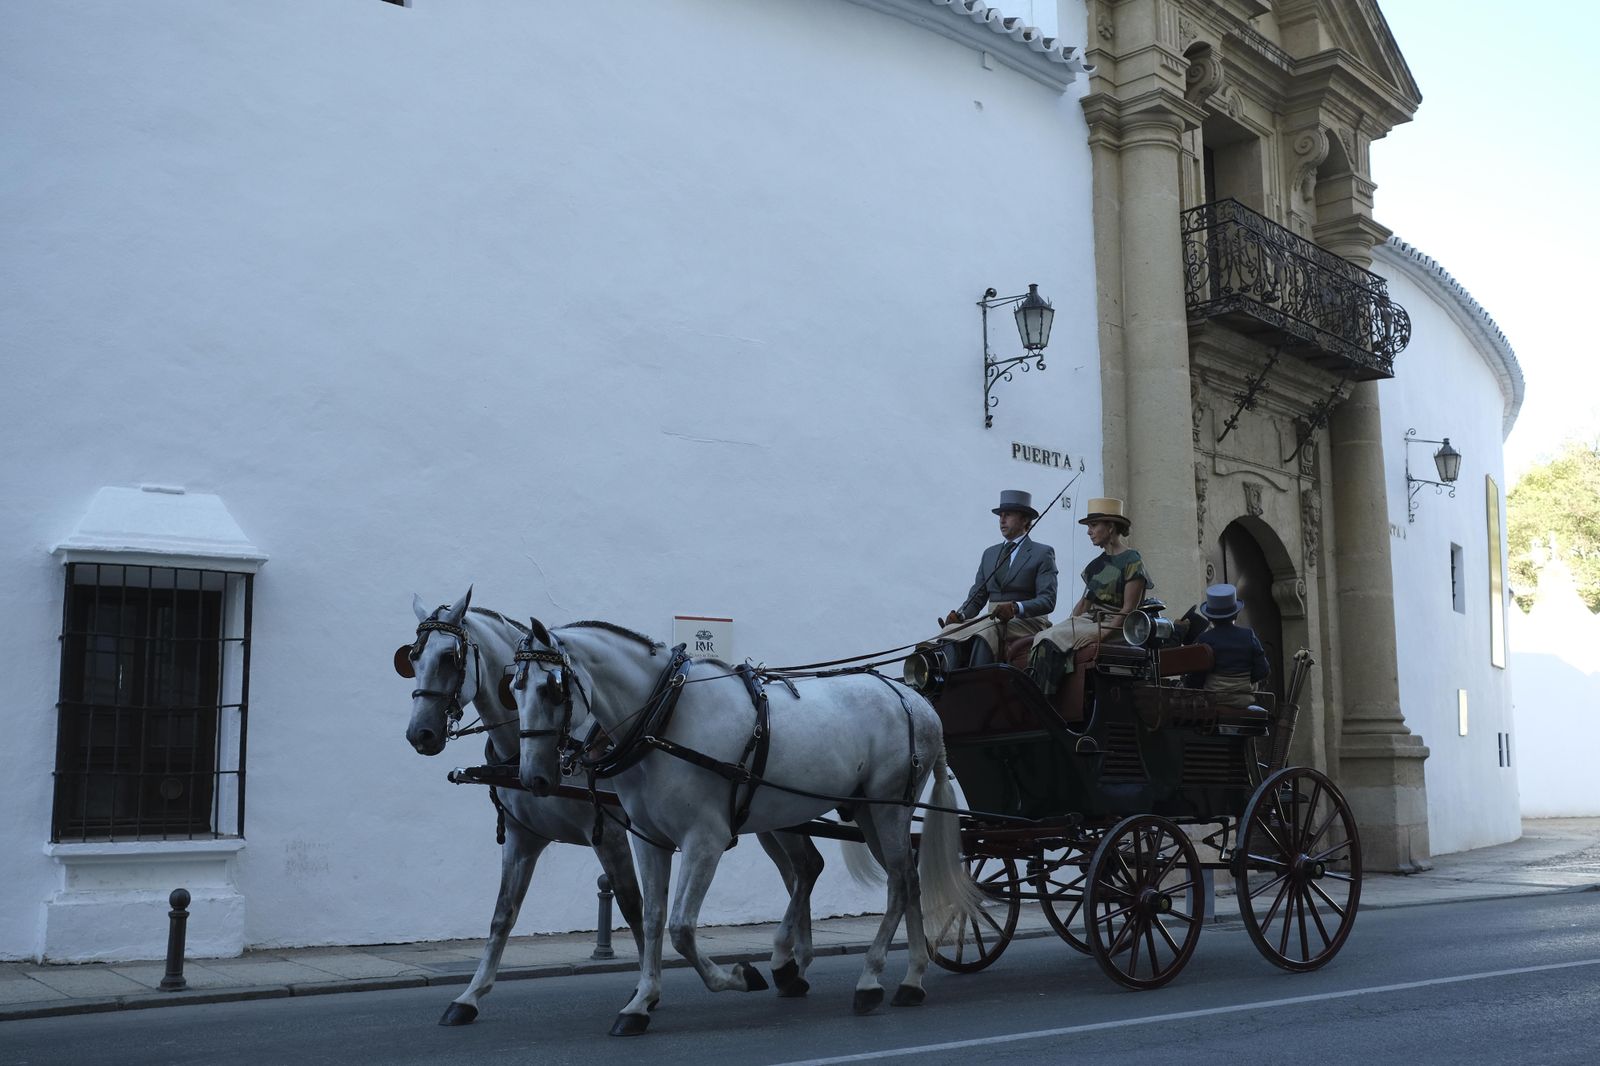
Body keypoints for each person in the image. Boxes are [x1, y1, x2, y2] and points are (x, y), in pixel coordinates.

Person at [1027, 498, 1151, 692]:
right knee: (1044, 636)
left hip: (1114, 626)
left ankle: (1045, 700)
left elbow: (1129, 609)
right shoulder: (1096, 565)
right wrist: (1069, 623)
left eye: (1093, 525)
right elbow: (1084, 604)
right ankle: (1035, 695)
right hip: (1090, 620)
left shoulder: (1132, 561)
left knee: (1053, 640)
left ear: (1110, 527)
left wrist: (1103, 633)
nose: (1088, 531)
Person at [937, 489, 1058, 666]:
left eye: (1008, 515)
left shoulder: (1042, 553)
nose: (1002, 520)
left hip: (1028, 621)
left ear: (1024, 519)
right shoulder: (990, 554)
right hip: (993, 619)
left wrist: (1016, 608)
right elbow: (977, 597)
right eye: (1000, 515)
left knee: (985, 631)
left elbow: (1048, 600)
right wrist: (961, 615)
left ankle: (980, 683)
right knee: (951, 631)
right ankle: (946, 684)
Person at [1184, 583, 1270, 707]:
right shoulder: (1248, 635)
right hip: (1243, 702)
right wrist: (1244, 681)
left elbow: (1196, 679)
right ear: (1235, 614)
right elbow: (1263, 670)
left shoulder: (1204, 638)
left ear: (1209, 617)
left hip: (1213, 701)